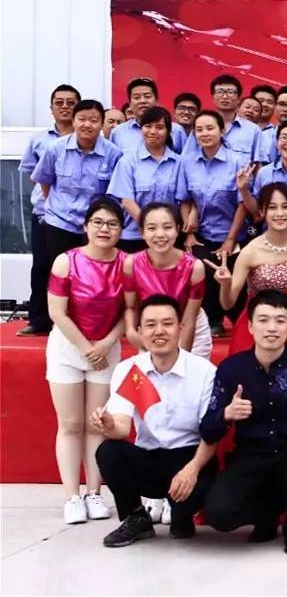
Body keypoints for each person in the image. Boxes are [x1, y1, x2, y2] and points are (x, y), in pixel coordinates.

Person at [200, 290, 287, 555]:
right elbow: (208, 429)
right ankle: (266, 513)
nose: (272, 328)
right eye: (263, 320)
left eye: (280, 320)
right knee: (219, 514)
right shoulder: (231, 369)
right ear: (250, 326)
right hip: (251, 457)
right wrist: (227, 414)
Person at [92, 295, 219, 546]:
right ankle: (136, 518)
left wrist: (191, 470)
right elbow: (121, 429)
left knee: (190, 508)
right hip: (149, 456)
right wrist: (108, 424)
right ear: (139, 331)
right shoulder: (130, 370)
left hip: (190, 456)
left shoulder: (204, 371)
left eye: (167, 324)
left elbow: (212, 432)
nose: (159, 331)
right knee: (109, 451)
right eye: (150, 325)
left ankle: (183, 515)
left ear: (180, 328)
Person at [46, 197, 127, 524]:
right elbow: (56, 312)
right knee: (70, 424)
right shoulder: (66, 262)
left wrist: (105, 344)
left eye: (112, 224)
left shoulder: (127, 264)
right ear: (86, 226)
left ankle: (94, 492)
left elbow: (129, 312)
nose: (104, 229)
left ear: (121, 230)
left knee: (97, 424)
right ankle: (72, 496)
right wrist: (85, 348)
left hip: (106, 350)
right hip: (68, 349)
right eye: (98, 222)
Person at [209, 183, 287, 355]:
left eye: (285, 207)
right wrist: (225, 284)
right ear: (262, 212)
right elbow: (228, 304)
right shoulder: (250, 251)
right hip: (252, 334)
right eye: (272, 208)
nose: (280, 213)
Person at [176, 110, 252, 338]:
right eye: (199, 130)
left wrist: (230, 239)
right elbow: (184, 198)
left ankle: (239, 321)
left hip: (234, 233)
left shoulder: (237, 161)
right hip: (202, 233)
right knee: (202, 269)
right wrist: (189, 234)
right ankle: (212, 320)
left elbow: (242, 204)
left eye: (210, 128)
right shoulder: (186, 162)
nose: (204, 133)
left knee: (234, 275)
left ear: (221, 131)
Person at [17, 84, 80, 337]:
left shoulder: (87, 137)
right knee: (43, 266)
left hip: (80, 218)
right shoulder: (39, 139)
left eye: (70, 102)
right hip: (44, 214)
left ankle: (76, 320)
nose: (65, 107)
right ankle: (40, 319)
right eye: (59, 102)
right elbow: (33, 174)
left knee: (78, 270)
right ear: (51, 108)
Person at [31, 99, 124, 261]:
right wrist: (53, 206)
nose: (87, 125)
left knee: (92, 271)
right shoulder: (55, 148)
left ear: (102, 124)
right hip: (60, 222)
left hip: (95, 226)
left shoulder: (113, 153)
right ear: (73, 121)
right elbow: (44, 181)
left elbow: (116, 191)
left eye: (93, 120)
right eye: (82, 119)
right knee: (62, 268)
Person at [123, 204, 211, 359]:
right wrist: (131, 331)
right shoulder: (131, 263)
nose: (160, 234)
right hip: (151, 327)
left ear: (177, 229)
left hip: (189, 328)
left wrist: (181, 358)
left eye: (167, 227)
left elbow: (190, 319)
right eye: (152, 228)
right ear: (142, 232)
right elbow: (131, 306)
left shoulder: (194, 266)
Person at [107, 107, 181, 253]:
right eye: (148, 126)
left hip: (167, 238)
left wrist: (161, 231)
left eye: (159, 127)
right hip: (133, 236)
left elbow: (183, 201)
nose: (153, 131)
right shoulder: (128, 161)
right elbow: (127, 201)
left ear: (168, 131)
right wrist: (150, 228)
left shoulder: (179, 163)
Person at [182, 75, 261, 159]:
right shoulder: (200, 126)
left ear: (239, 98)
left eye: (230, 92)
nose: (225, 96)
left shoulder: (252, 130)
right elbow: (186, 158)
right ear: (213, 96)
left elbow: (258, 163)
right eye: (219, 92)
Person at [107, 77, 160, 154]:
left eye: (147, 96)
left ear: (156, 100)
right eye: (136, 97)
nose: (142, 101)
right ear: (130, 103)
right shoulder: (118, 132)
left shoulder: (174, 131)